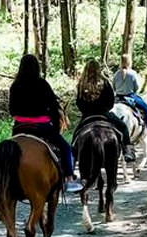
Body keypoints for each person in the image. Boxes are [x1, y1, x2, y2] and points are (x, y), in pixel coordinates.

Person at [9, 54, 82, 193]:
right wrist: (54, 125)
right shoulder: (42, 84)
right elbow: (54, 107)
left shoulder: (15, 85)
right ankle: (69, 178)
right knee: (66, 148)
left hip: (20, 127)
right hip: (41, 126)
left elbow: (12, 111)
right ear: (37, 67)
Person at [75, 59, 136, 163]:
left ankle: (73, 159)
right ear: (98, 70)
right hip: (104, 114)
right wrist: (105, 109)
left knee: (75, 137)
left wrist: (85, 111)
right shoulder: (105, 82)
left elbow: (78, 103)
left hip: (87, 116)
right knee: (123, 127)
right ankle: (127, 151)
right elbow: (111, 101)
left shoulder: (81, 85)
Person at [112, 54, 147, 138]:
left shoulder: (116, 74)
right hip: (130, 96)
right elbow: (137, 87)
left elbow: (113, 86)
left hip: (117, 97)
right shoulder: (133, 73)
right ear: (129, 62)